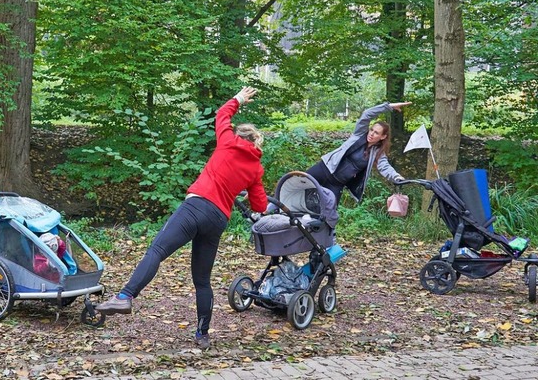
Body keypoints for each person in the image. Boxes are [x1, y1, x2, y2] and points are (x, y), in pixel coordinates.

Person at [96, 86, 268, 350]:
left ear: (237, 134)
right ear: (255, 142)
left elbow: (222, 113)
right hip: (217, 220)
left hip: (196, 207)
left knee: (157, 250)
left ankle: (125, 296)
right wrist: (241, 191)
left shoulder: (227, 141)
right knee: (202, 280)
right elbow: (260, 205)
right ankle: (202, 335)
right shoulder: (256, 168)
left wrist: (239, 99)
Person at [306, 101, 411, 206]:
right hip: (325, 169)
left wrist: (396, 177)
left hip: (337, 183)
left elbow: (385, 167)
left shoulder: (377, 153)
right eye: (371, 130)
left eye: (376, 133)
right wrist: (388, 107)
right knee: (297, 182)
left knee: (329, 214)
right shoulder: (359, 133)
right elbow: (367, 114)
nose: (372, 134)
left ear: (383, 137)